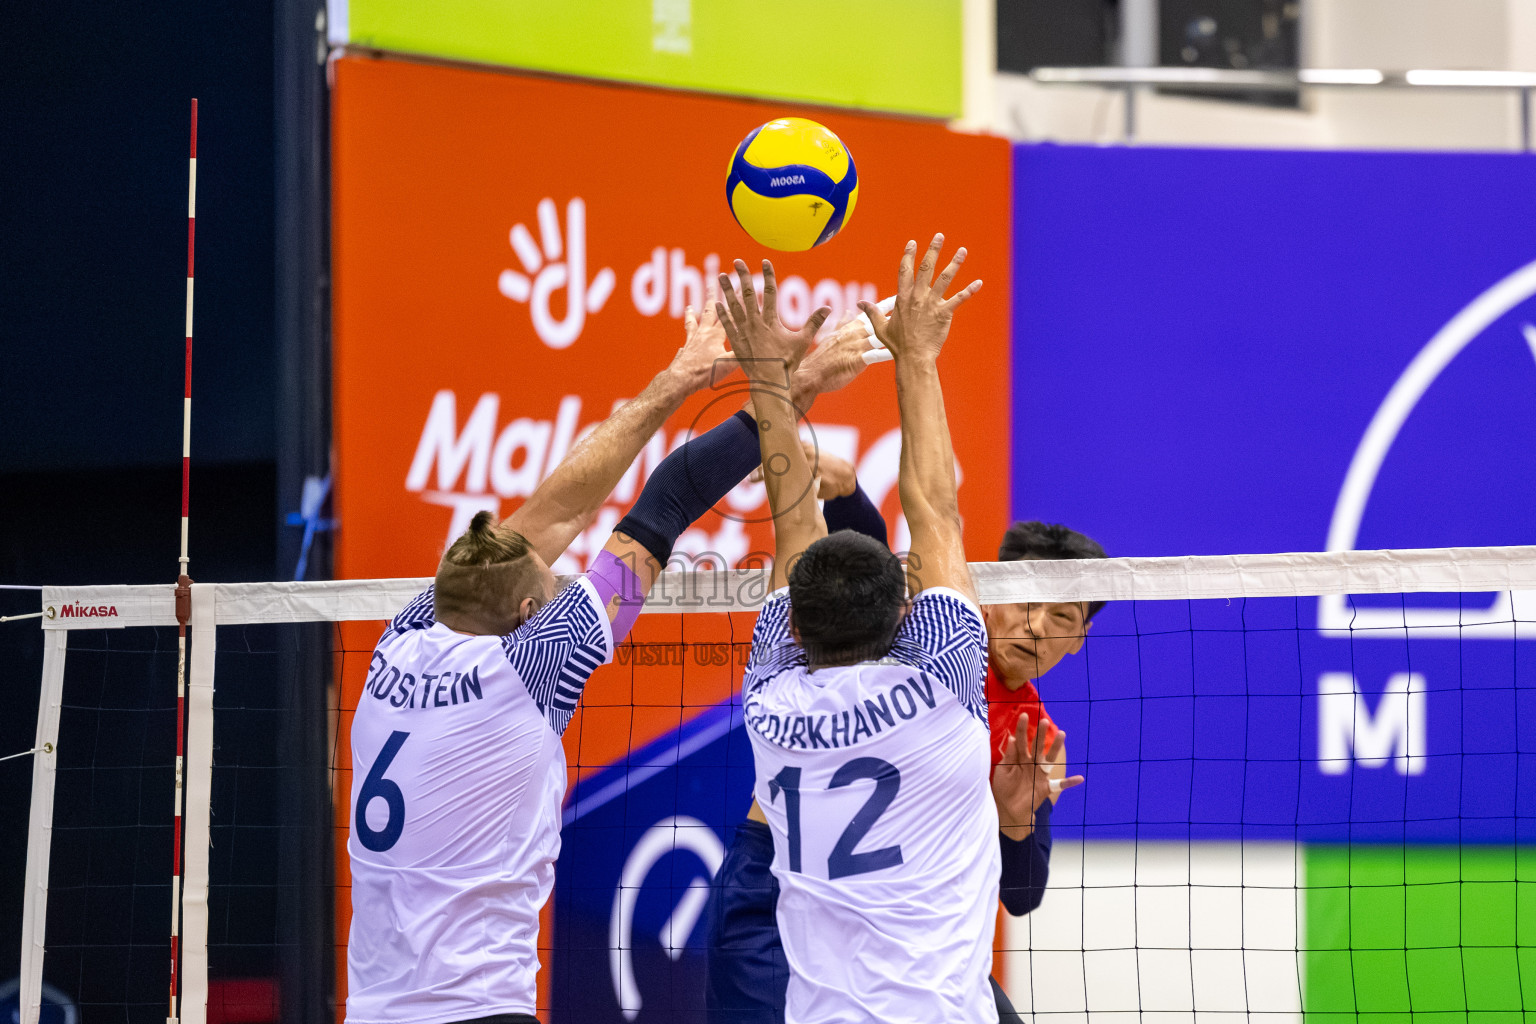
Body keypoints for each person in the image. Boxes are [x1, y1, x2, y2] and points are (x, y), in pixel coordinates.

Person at [344, 292, 872, 1024]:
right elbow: (669, 500)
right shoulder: (532, 667)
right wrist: (787, 387)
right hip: (476, 1010)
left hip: (374, 1010)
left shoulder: (405, 635)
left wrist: (678, 377)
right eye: (552, 581)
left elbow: (554, 512)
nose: (563, 574)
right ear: (530, 615)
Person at [715, 236, 1000, 1023]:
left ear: (795, 631)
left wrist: (768, 376)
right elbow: (934, 509)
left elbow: (792, 520)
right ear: (906, 612)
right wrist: (918, 354)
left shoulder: (771, 703)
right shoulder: (942, 683)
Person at [704, 511, 1106, 1024]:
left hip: (901, 920)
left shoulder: (1038, 741)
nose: (1035, 626)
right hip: (784, 880)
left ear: (1080, 638)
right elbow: (861, 580)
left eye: (1063, 618)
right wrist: (848, 494)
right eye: (1025, 603)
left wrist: (1014, 822)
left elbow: (1023, 897)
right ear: (986, 595)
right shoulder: (929, 646)